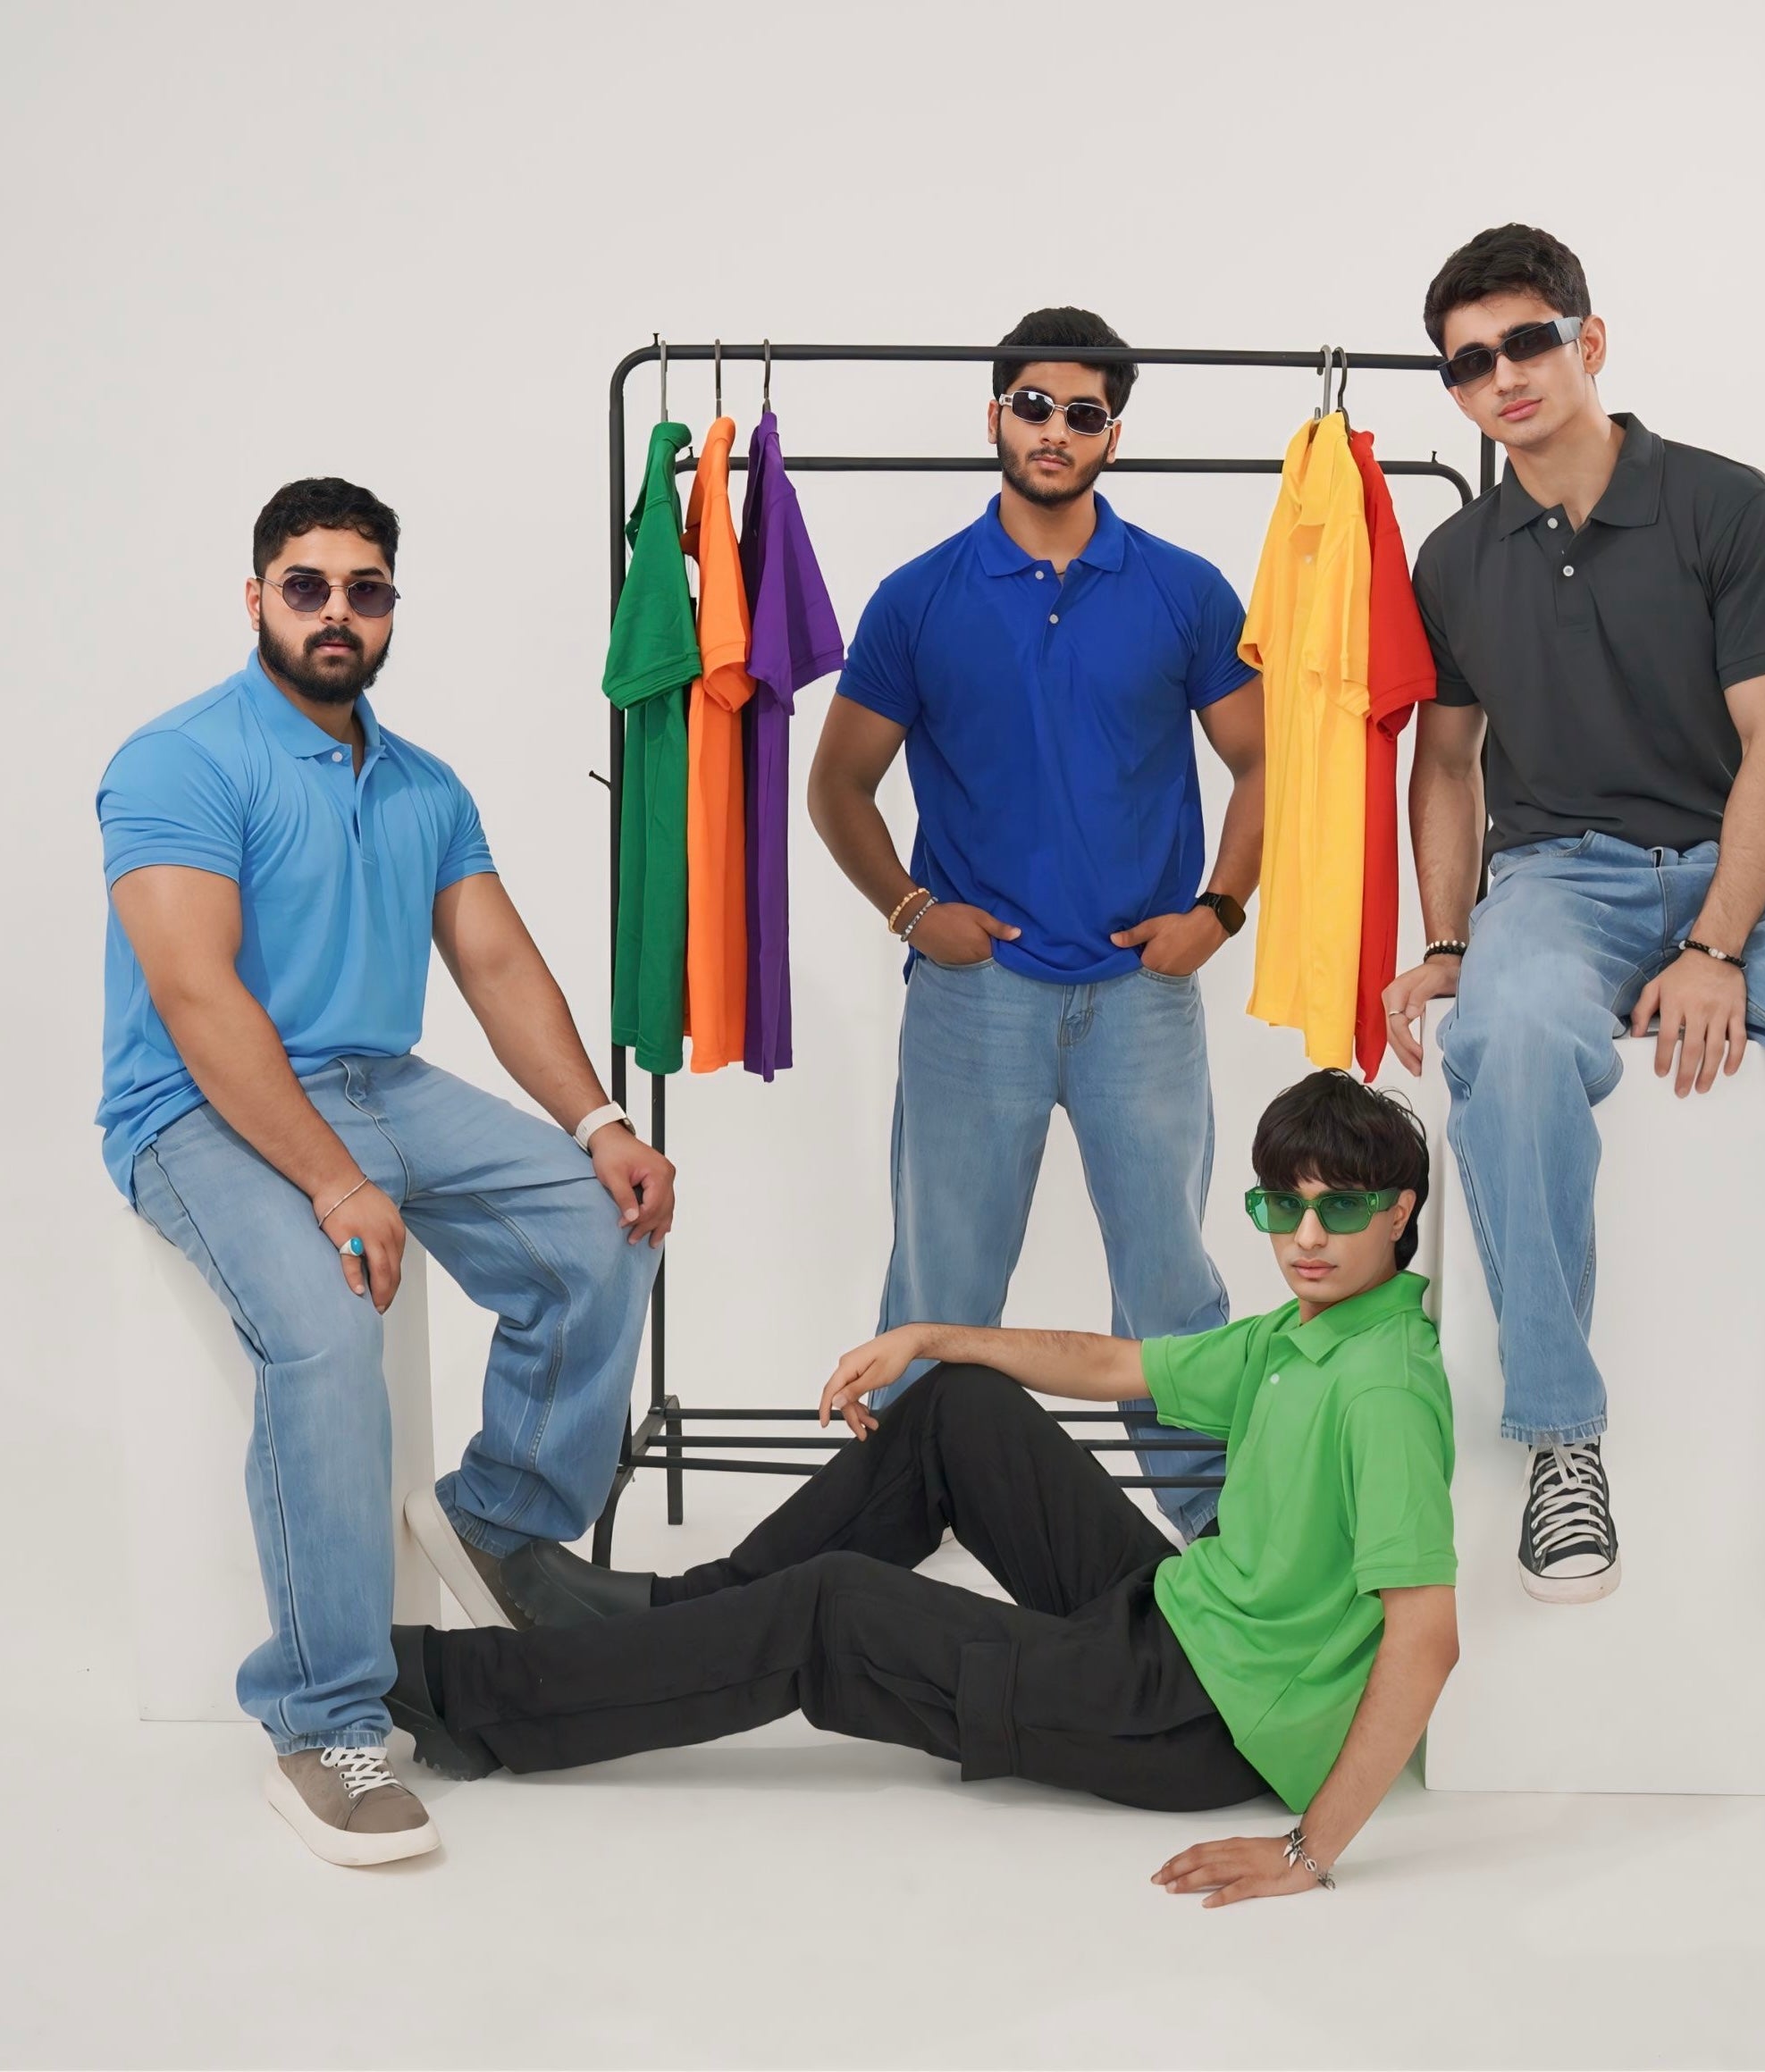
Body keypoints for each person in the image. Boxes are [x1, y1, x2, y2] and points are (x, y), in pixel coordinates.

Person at [381, 1070, 1458, 1904]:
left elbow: (1425, 1637)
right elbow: (1111, 1365)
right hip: (1179, 1617)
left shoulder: (1382, 1390)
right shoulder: (1306, 1329)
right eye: (1283, 1208)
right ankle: (675, 1613)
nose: (1306, 1238)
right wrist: (930, 1338)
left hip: (1197, 1717)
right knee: (961, 1408)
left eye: (1340, 1208)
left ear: (1398, 1209)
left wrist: (1308, 1852)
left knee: (833, 1614)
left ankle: (470, 1700)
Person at [1383, 224, 1765, 1602]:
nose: (1501, 376)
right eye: (1468, 363)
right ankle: (1558, 1439)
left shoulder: (1727, 508)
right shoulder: (1454, 555)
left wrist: (1715, 941)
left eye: (1524, 341)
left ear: (1585, 342)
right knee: (1511, 1041)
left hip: (1739, 877)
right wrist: (1443, 942)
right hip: (1554, 879)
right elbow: (1444, 761)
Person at [97, 478, 677, 1866]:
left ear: (392, 606)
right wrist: (332, 1182)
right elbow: (196, 996)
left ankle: (502, 1523)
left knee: (606, 1225)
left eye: (366, 588)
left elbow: (490, 959)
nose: (337, 611)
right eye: (308, 585)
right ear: (257, 599)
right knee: (324, 1329)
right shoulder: (181, 759)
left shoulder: (418, 780)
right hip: (201, 1103)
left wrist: (598, 1121)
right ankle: (322, 1719)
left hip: (383, 1081)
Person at [805, 307, 1265, 1541]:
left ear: (1113, 433)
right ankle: (889, 1532)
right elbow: (834, 782)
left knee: (1169, 1282)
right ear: (994, 413)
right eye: (1031, 405)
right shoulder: (918, 598)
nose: (1052, 431)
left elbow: (1266, 764)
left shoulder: (1180, 589)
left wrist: (1217, 913)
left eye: (1081, 413)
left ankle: (1215, 1535)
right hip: (975, 996)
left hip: (1139, 994)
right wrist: (912, 908)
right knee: (942, 1280)